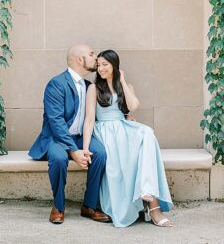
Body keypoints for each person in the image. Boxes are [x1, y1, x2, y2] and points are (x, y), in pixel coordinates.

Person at [81, 49, 174, 227]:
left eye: (105, 65)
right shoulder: (93, 88)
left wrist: (122, 80)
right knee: (122, 162)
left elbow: (133, 105)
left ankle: (147, 191)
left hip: (122, 127)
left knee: (146, 132)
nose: (100, 69)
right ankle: (151, 207)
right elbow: (89, 119)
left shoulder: (125, 86)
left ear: (115, 65)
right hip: (105, 131)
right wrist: (86, 148)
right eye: (98, 65)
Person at [28, 44, 112, 224]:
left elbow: (104, 110)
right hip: (57, 138)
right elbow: (56, 122)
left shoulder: (90, 86)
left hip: (81, 137)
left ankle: (89, 206)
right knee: (59, 158)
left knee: (101, 154)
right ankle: (58, 206)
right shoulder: (56, 84)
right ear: (80, 60)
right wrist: (74, 151)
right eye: (91, 54)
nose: (96, 57)